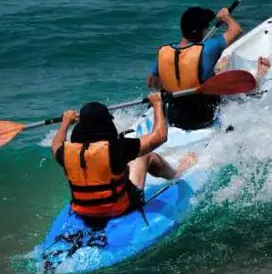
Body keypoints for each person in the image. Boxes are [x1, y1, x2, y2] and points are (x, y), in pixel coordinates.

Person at [50, 94, 196, 228]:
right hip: (118, 209)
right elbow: (160, 137)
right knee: (145, 156)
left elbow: (55, 144)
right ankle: (177, 172)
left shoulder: (66, 152)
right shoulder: (117, 149)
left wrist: (65, 123)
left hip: (83, 212)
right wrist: (158, 104)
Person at [146, 6, 243, 130]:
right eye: (205, 28)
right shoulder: (208, 48)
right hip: (203, 117)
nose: (207, 30)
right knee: (221, 71)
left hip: (174, 117)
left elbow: (151, 83)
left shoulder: (164, 52)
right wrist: (226, 17)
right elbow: (236, 30)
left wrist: (175, 83)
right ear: (198, 31)